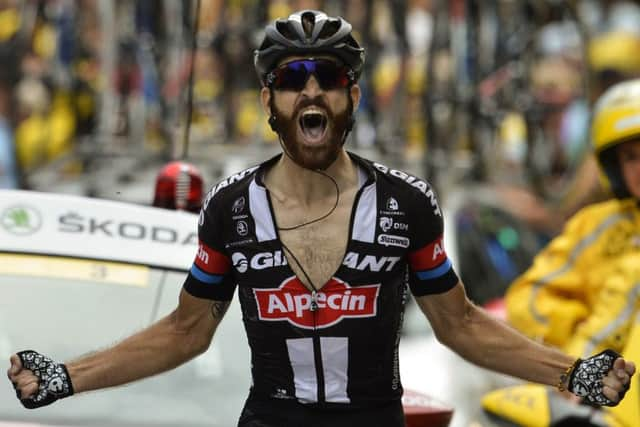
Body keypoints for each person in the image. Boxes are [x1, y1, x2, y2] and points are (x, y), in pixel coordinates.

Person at [6, 10, 635, 427]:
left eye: (328, 77)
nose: (310, 91)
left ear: (351, 96)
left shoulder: (406, 204)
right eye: (291, 78)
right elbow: (182, 333)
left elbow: (463, 327)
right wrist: (66, 376)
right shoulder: (229, 209)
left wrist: (573, 372)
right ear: (268, 101)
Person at [485, 77, 640, 426]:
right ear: (613, 167)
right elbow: (529, 298)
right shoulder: (596, 226)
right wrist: (573, 350)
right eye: (631, 157)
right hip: (585, 405)